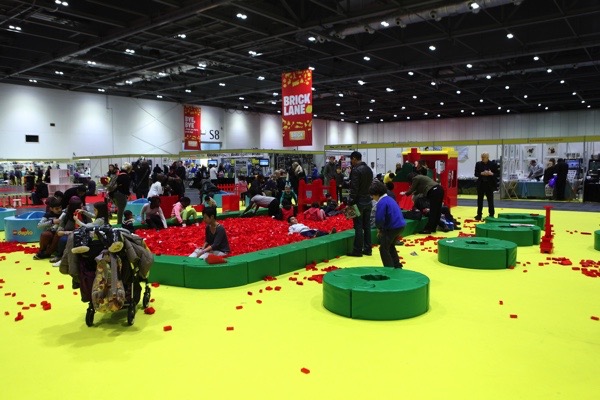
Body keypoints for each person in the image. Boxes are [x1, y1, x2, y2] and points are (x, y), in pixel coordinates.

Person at [369, 181, 405, 269]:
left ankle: (389, 268)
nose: (372, 198)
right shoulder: (389, 199)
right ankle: (396, 265)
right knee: (390, 245)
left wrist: (379, 228)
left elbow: (379, 219)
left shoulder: (381, 202)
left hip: (392, 227)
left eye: (372, 195)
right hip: (400, 225)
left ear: (377, 194)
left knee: (383, 249)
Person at [346, 151, 374, 257]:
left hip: (358, 202)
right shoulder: (368, 169)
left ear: (354, 158)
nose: (351, 162)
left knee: (358, 226)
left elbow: (354, 188)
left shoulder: (356, 170)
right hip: (368, 200)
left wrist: (350, 202)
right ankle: (368, 249)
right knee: (367, 226)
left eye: (351, 160)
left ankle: (357, 250)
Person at [474, 152, 499, 221]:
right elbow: (475, 174)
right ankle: (479, 214)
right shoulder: (478, 164)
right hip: (481, 184)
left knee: (490, 200)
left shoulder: (493, 164)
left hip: (489, 184)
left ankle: (491, 214)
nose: (482, 159)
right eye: (482, 157)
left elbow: (497, 174)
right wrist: (481, 173)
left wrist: (491, 173)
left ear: (487, 157)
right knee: (479, 200)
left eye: (484, 157)